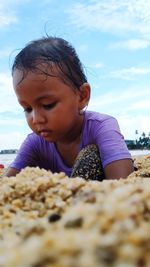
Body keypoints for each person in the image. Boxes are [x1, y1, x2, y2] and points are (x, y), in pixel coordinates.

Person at [5, 36, 134, 180]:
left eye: (48, 105)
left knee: (91, 154)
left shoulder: (102, 126)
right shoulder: (34, 143)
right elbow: (7, 186)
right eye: (27, 109)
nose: (36, 119)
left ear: (82, 96)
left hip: (94, 195)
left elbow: (123, 183)